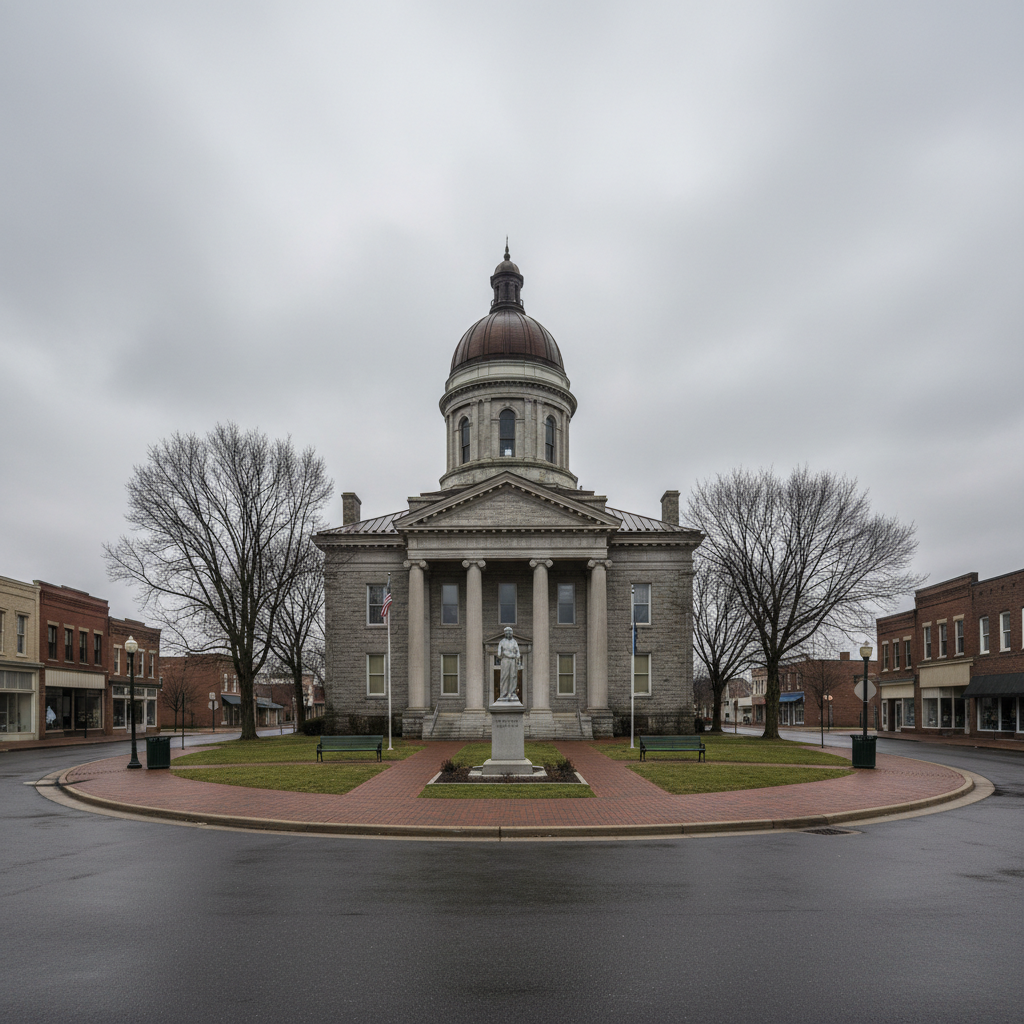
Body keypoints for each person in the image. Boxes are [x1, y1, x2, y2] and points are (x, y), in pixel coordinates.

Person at [497, 627, 521, 702]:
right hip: (505, 660)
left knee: (513, 676)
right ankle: (503, 693)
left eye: (510, 632)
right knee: (505, 676)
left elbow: (518, 652)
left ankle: (512, 693)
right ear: (505, 634)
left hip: (513, 661)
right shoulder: (502, 642)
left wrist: (516, 656)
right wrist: (509, 654)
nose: (509, 634)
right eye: (507, 632)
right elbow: (499, 654)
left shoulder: (514, 642)